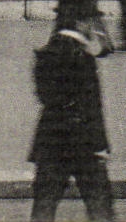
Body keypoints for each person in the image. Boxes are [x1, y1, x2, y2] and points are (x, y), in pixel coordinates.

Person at [29, 16, 115, 222]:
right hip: (81, 138)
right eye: (88, 24)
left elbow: (45, 97)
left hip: (51, 136)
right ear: (79, 24)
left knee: (45, 199)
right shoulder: (83, 58)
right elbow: (92, 105)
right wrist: (101, 143)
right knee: (98, 198)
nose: (91, 30)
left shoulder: (45, 54)